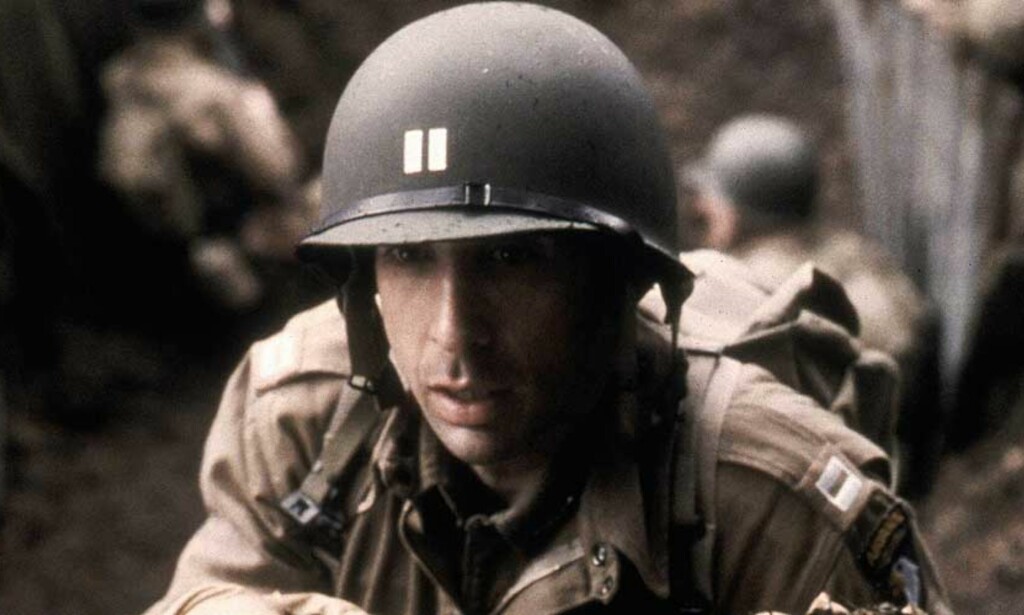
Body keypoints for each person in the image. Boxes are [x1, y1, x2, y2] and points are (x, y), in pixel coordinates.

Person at [144, 5, 952, 615]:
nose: (455, 335)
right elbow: (205, 589)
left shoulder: (776, 506)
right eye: (409, 257)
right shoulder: (307, 422)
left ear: (618, 280)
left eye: (510, 260)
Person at [683, 114, 942, 499]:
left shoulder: (743, 282)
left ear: (741, 209)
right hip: (900, 470)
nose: (702, 207)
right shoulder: (859, 255)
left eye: (713, 200)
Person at [98, 0, 312, 311]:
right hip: (240, 250)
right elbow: (275, 169)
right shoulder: (213, 92)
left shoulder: (122, 79)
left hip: (156, 256)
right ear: (198, 16)